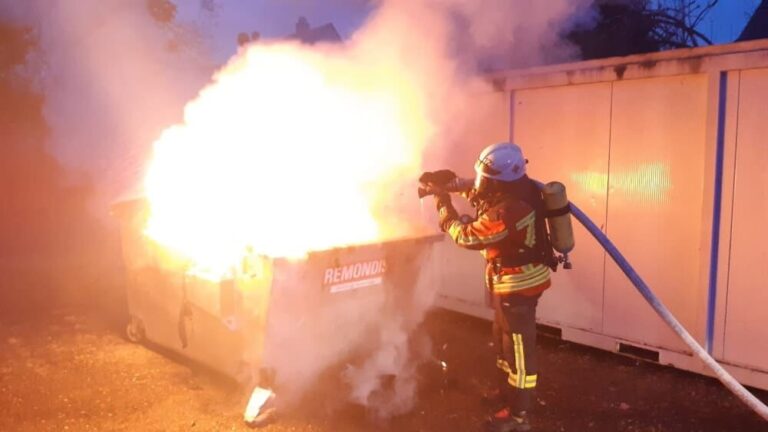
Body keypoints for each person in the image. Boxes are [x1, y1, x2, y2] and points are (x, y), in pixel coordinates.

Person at [426, 142, 556, 432]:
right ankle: (504, 395)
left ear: (501, 181)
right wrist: (447, 183)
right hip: (505, 283)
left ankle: (519, 416)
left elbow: (467, 236)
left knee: (519, 350)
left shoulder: (511, 210)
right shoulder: (513, 190)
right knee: (502, 340)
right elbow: (478, 190)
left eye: (488, 178)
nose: (482, 183)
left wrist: (443, 206)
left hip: (520, 287)